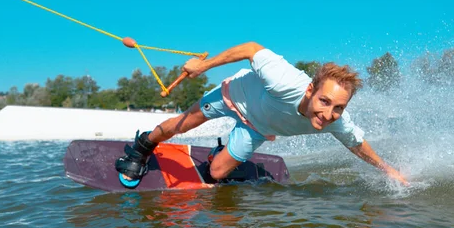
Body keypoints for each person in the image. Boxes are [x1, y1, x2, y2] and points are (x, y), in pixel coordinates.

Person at [116, 42, 409, 187]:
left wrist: (389, 170)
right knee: (179, 125)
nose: (329, 113)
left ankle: (221, 153)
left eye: (338, 108)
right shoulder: (284, 80)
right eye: (324, 101)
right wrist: (204, 67)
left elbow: (358, 145)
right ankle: (142, 147)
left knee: (217, 173)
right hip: (234, 96)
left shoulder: (336, 123)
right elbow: (250, 48)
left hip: (255, 128)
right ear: (310, 91)